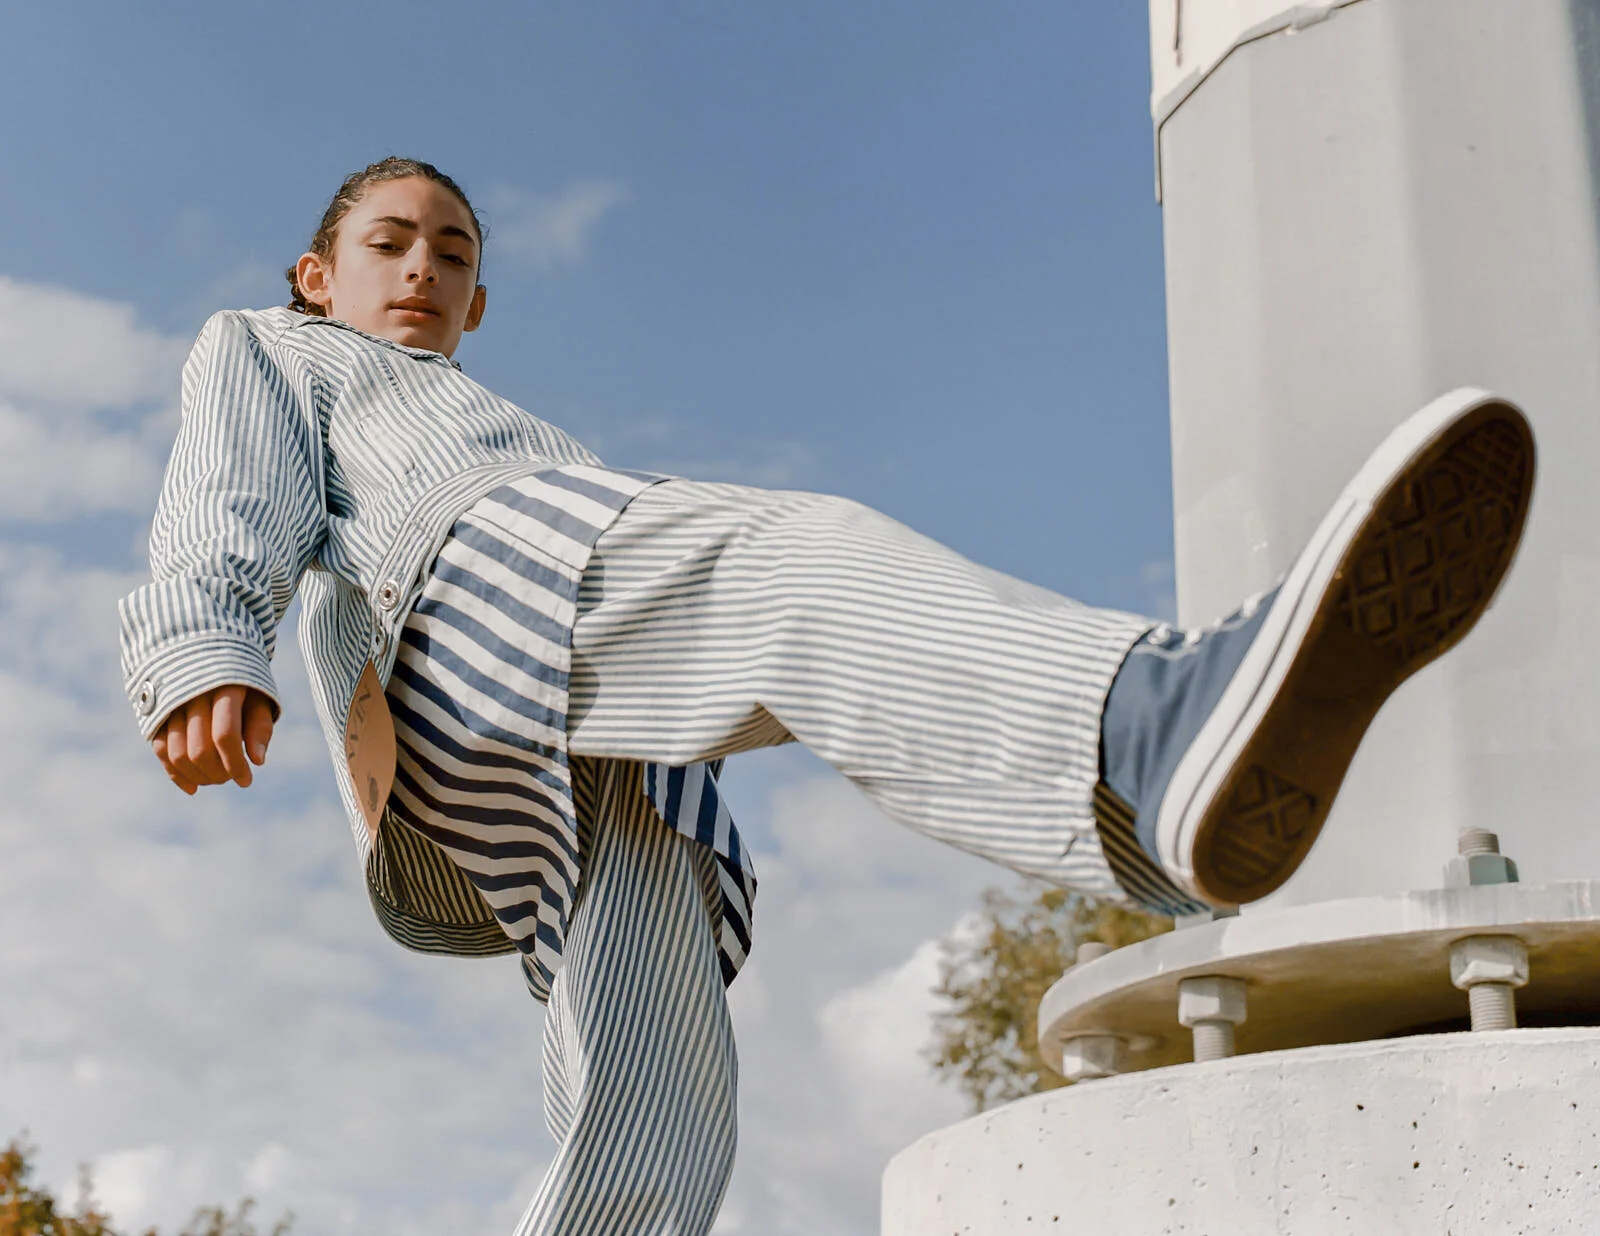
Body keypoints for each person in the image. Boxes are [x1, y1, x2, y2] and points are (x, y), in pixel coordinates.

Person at [117, 156, 1535, 1234]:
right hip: (480, 596)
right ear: (318, 275)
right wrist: (202, 646)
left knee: (652, 1058)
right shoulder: (276, 347)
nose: (420, 268)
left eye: (452, 252)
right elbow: (228, 492)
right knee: (799, 561)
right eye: (388, 244)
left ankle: (1147, 777)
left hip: (578, 709)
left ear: (480, 300)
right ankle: (1141, 736)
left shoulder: (512, 414)